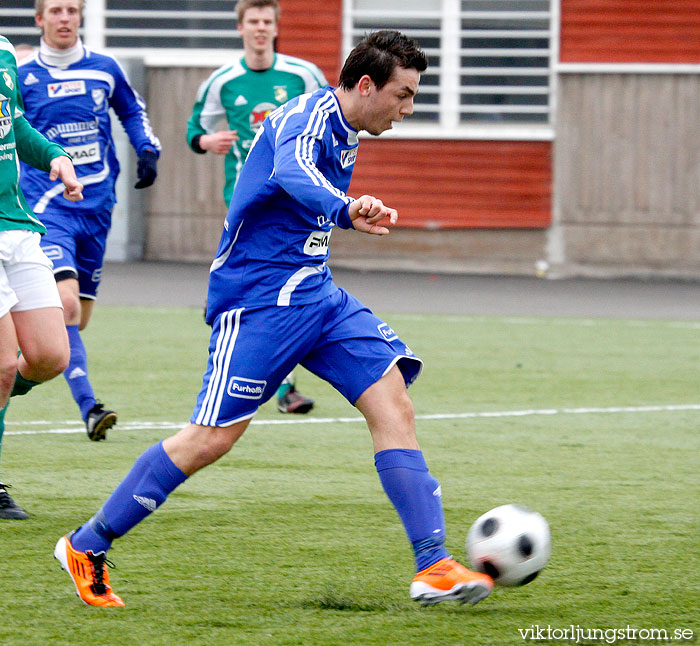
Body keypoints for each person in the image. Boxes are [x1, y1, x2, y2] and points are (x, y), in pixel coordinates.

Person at [54, 30, 494, 608]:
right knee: (209, 439)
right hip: (258, 299)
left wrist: (353, 208)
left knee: (393, 401)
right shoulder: (307, 117)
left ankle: (432, 565)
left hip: (317, 295)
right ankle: (87, 544)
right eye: (404, 95)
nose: (408, 109)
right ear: (367, 86)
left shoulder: (349, 123)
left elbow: (306, 192)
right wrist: (344, 208)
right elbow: (291, 172)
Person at [17, 0, 161, 441]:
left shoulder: (104, 68)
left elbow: (132, 110)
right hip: (48, 207)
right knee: (67, 305)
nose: (65, 18)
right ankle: (90, 407)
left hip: (97, 207)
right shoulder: (22, 78)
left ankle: (12, 382)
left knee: (77, 322)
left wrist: (146, 147)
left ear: (80, 17)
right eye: (55, 11)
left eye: (72, 10)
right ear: (40, 19)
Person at [186, 0, 323, 415]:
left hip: (297, 202)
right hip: (245, 202)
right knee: (267, 286)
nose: (260, 29)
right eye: (253, 22)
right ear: (241, 28)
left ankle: (267, 378)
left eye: (267, 22)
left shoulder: (302, 75)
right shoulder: (222, 81)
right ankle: (264, 377)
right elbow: (196, 129)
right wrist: (208, 142)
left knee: (284, 284)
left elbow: (330, 118)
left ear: (276, 27)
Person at [0, 35, 83, 519]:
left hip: (17, 225)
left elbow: (15, 127)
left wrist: (55, 155)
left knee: (50, 356)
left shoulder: (6, 51)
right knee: (4, 366)